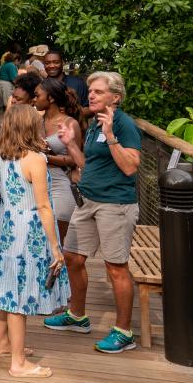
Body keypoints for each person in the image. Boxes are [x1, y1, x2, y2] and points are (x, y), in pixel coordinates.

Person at [44, 72, 142, 354]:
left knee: (115, 267)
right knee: (73, 257)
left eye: (99, 91)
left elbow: (130, 167)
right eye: (91, 90)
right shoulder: (97, 124)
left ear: (116, 97)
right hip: (87, 201)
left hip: (115, 204)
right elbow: (87, 166)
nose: (92, 95)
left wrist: (111, 135)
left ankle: (124, 333)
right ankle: (77, 316)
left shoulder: (122, 125)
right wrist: (72, 144)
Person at [0, 104, 69, 379]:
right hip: (28, 229)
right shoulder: (35, 159)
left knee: (6, 286)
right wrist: (55, 247)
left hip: (6, 224)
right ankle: (18, 363)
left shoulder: (2, 155)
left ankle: (2, 343)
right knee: (19, 297)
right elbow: (44, 207)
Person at [33, 78, 85, 243]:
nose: (34, 99)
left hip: (59, 184)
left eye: (37, 95)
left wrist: (46, 157)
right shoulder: (35, 121)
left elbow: (74, 159)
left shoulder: (70, 123)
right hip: (35, 184)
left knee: (59, 241)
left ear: (51, 98)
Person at [43, 50, 90, 116]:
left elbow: (90, 110)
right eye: (47, 63)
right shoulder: (40, 86)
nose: (52, 66)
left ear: (63, 63)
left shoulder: (78, 83)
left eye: (56, 62)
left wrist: (72, 111)